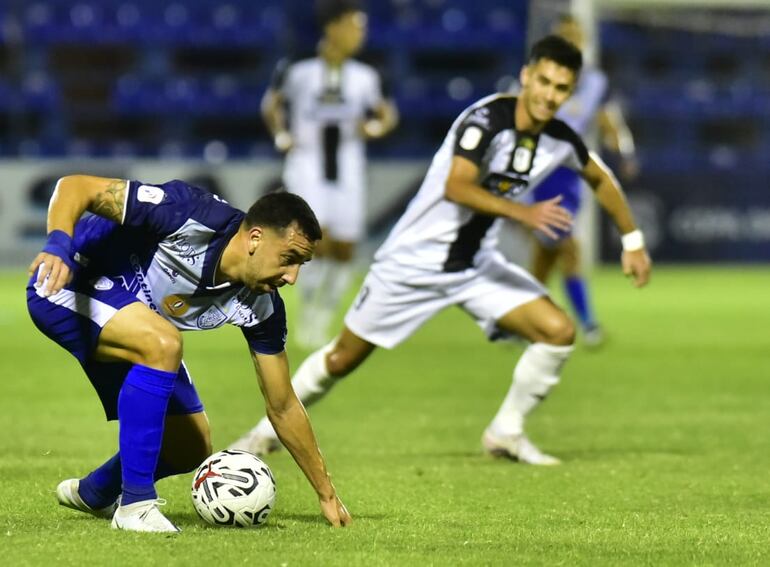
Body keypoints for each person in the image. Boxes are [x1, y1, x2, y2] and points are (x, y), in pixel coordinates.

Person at [231, 35, 651, 465]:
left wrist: (632, 242)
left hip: (475, 266)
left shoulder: (560, 139)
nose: (549, 94)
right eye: (543, 81)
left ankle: (506, 432)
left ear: (570, 92)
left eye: (561, 88)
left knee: (558, 332)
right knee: (341, 358)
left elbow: (601, 179)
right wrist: (521, 213)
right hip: (413, 262)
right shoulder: (486, 121)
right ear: (527, 76)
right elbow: (457, 186)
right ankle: (264, 434)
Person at [27, 175, 351, 532]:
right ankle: (135, 506)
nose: (292, 278)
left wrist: (325, 491)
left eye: (300, 265)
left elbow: (283, 404)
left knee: (190, 446)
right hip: (67, 281)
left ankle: (95, 491)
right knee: (163, 343)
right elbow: (74, 187)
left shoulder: (262, 306)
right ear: (255, 238)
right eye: (289, 259)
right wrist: (57, 244)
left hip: (134, 321)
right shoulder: (187, 211)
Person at [261, 0, 398, 348]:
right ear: (333, 27)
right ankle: (307, 316)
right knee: (313, 242)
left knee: (346, 249)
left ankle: (324, 315)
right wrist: (282, 135)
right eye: (355, 26)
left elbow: (387, 114)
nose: (360, 34)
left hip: (349, 168)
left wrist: (376, 129)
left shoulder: (366, 74)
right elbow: (271, 104)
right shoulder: (298, 67)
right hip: (307, 166)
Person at [523, 15, 638, 347]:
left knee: (545, 256)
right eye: (565, 36)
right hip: (541, 170)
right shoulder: (542, 78)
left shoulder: (594, 82)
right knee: (568, 247)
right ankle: (587, 324)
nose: (572, 42)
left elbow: (607, 121)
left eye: (576, 36)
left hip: (571, 171)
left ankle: (519, 321)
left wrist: (623, 151)